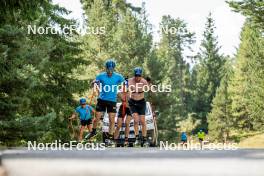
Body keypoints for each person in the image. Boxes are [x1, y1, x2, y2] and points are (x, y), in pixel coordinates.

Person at [86, 59, 124, 146]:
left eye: (112, 69)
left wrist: (125, 92)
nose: (110, 72)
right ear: (106, 68)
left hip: (112, 101)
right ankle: (93, 132)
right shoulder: (100, 76)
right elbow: (92, 84)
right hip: (102, 100)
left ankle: (109, 138)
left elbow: (125, 84)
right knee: (97, 118)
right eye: (108, 69)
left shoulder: (118, 76)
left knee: (111, 120)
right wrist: (93, 82)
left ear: (114, 69)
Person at [128, 67, 150, 147]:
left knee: (143, 121)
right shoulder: (130, 80)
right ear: (134, 75)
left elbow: (148, 89)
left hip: (141, 102)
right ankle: (137, 138)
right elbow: (124, 86)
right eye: (136, 75)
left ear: (141, 75)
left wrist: (148, 83)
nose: (137, 77)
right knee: (136, 120)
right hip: (132, 102)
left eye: (139, 76)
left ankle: (144, 139)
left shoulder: (143, 81)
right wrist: (125, 82)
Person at [114, 78, 132, 147]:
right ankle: (115, 140)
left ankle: (126, 140)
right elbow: (123, 98)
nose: (124, 86)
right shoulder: (119, 90)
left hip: (130, 108)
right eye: (123, 84)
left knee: (127, 123)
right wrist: (123, 92)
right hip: (122, 107)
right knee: (118, 125)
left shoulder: (130, 90)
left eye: (126, 84)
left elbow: (128, 98)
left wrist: (127, 91)